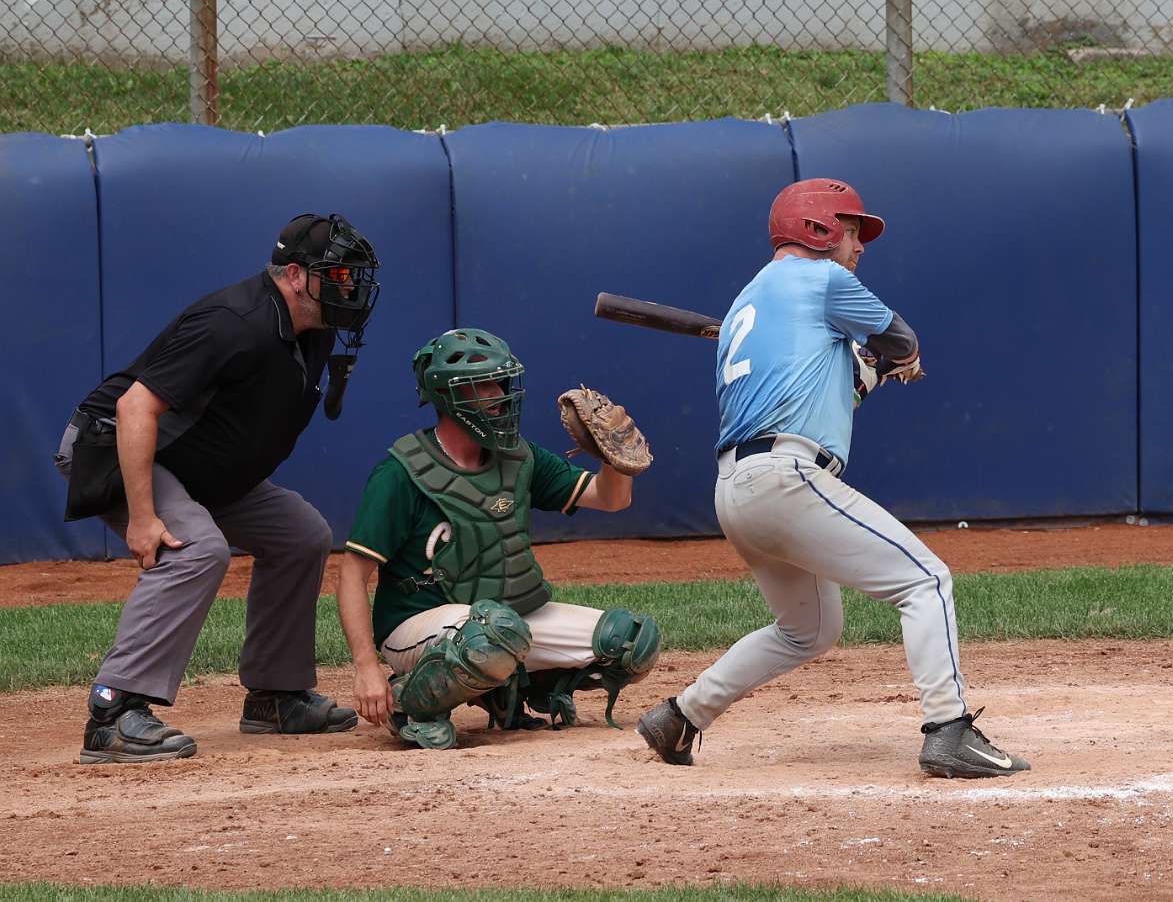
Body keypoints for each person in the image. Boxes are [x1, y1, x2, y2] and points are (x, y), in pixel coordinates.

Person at [636, 178, 1029, 779]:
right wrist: (899, 358)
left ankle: (680, 716)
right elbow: (901, 337)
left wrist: (870, 372)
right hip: (786, 478)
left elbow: (835, 389)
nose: (859, 245)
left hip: (737, 489)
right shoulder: (819, 278)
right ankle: (949, 731)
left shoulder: (749, 301)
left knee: (807, 630)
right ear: (817, 230)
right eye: (850, 230)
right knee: (925, 581)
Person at [56, 212, 382, 764]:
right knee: (196, 549)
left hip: (191, 462)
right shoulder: (233, 322)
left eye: (353, 277)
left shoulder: (315, 329)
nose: (349, 288)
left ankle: (275, 696)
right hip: (115, 447)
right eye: (338, 275)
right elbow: (135, 407)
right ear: (296, 276)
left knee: (301, 535)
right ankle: (114, 712)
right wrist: (143, 517)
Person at [336, 328, 662, 750]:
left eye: (500, 383)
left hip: (501, 624)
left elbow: (610, 499)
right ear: (447, 395)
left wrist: (615, 460)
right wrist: (365, 666)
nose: (498, 395)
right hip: (415, 624)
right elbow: (352, 574)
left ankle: (509, 690)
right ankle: (409, 703)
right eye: (483, 385)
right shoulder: (401, 473)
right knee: (491, 635)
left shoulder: (518, 456)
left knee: (630, 641)